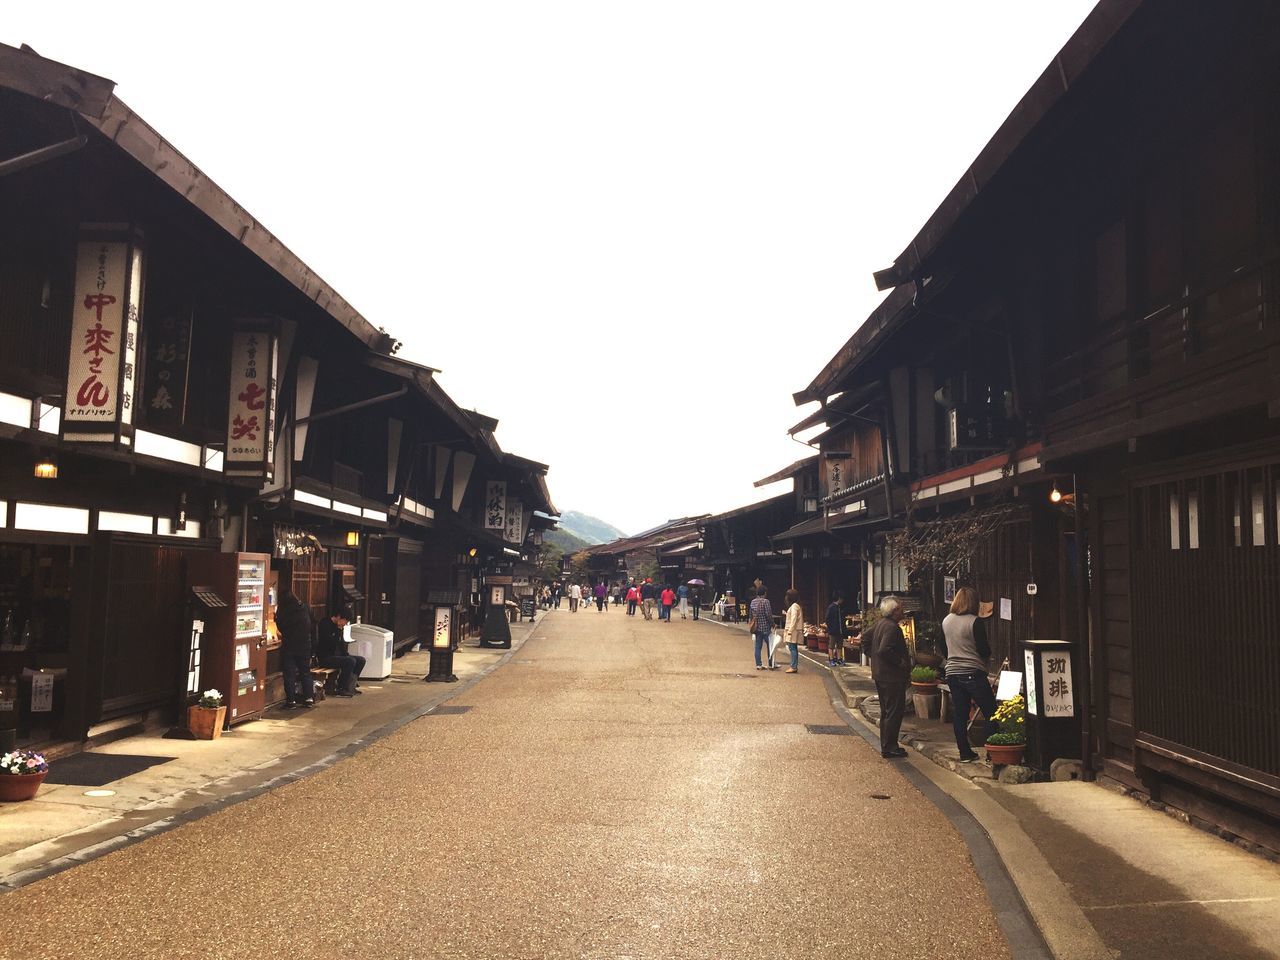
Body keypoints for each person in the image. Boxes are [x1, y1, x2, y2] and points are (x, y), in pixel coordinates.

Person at [941, 586, 998, 763]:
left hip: (952, 672)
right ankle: (992, 752)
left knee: (960, 713)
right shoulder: (975, 621)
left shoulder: (946, 621)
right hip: (972, 671)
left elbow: (944, 648)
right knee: (991, 712)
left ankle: (964, 752)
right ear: (973, 603)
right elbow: (983, 649)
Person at [864, 597, 912, 757]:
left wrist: (871, 656)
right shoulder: (892, 627)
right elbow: (884, 649)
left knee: (886, 711)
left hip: (881, 674)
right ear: (894, 611)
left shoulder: (880, 624)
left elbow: (865, 637)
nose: (902, 610)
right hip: (892, 676)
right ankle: (890, 746)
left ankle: (887, 745)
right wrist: (900, 662)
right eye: (900, 608)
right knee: (894, 711)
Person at [275, 587, 314, 708]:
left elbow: (281, 627)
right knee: (305, 672)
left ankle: (291, 701)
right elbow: (312, 625)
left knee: (289, 674)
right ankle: (308, 698)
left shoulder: (283, 610)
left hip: (289, 645)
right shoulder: (305, 607)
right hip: (305, 644)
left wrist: (275, 619)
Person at [316, 607, 364, 697]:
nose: (345, 624)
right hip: (326, 657)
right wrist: (338, 630)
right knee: (350, 661)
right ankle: (341, 688)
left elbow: (341, 644)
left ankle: (351, 686)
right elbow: (331, 643)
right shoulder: (325, 624)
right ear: (339, 617)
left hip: (337, 656)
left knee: (361, 660)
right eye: (345, 621)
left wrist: (346, 654)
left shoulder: (338, 628)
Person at [748, 586, 775, 670]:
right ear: (764, 593)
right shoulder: (766, 602)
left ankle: (758, 664)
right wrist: (772, 623)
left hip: (757, 628)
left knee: (758, 646)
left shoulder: (753, 602)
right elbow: (768, 614)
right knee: (770, 645)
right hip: (765, 627)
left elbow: (751, 615)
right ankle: (771, 663)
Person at [782, 588, 803, 673]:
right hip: (794, 629)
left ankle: (793, 666)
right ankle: (793, 665)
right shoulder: (796, 605)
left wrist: (790, 630)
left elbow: (794, 619)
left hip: (793, 630)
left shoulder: (794, 606)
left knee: (792, 648)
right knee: (793, 648)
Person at [826, 592, 846, 667]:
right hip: (833, 630)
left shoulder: (840, 607)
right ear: (839, 598)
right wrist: (830, 628)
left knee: (839, 645)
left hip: (840, 630)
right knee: (831, 645)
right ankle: (831, 659)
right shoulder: (831, 607)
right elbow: (828, 619)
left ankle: (839, 659)